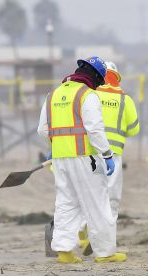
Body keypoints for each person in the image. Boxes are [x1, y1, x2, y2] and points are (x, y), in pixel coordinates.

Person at [38, 56, 125, 264]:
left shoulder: (53, 94)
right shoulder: (88, 95)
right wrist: (106, 155)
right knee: (98, 203)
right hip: (85, 158)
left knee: (66, 204)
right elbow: (94, 129)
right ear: (94, 75)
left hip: (60, 159)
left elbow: (42, 130)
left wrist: (57, 145)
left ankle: (64, 251)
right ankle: (105, 253)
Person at [78, 61, 140, 254]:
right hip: (113, 155)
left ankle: (83, 230)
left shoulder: (91, 94)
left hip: (89, 154)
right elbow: (134, 129)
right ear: (117, 77)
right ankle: (106, 245)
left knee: (90, 195)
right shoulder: (125, 99)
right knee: (110, 201)